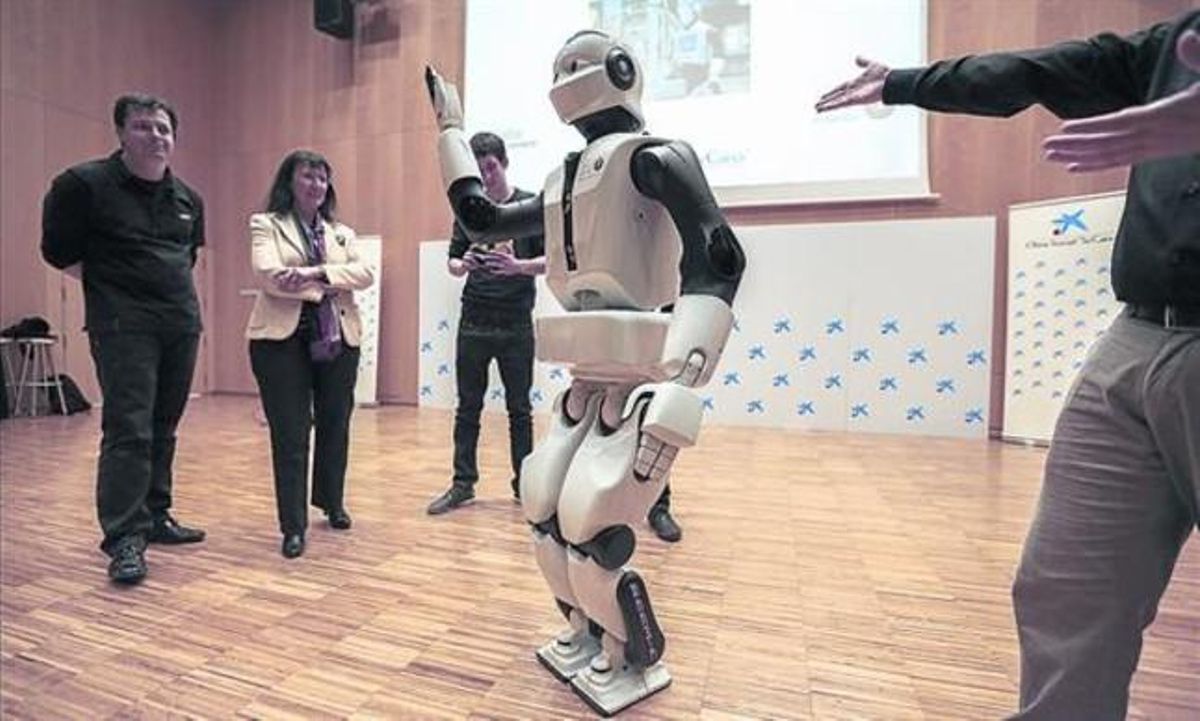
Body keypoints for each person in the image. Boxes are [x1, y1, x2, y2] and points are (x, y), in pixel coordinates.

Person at [816, 11, 1199, 721]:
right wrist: (903, 83)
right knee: (1063, 589)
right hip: (1137, 338)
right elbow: (1041, 70)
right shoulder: (1178, 41)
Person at [426, 26, 745, 715]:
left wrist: (685, 372)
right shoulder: (562, 178)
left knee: (593, 518)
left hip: (638, 374)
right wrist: (451, 130)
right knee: (542, 504)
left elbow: (717, 254)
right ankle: (581, 628)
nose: (568, 74)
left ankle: (630, 647)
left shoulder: (655, 158)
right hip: (586, 373)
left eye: (578, 64)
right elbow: (479, 219)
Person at [41, 93, 208, 585]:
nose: (156, 136)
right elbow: (57, 251)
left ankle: (155, 517)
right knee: (128, 429)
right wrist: (113, 288)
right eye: (143, 127)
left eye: (163, 128)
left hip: (180, 322)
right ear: (120, 133)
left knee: (164, 425)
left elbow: (188, 258)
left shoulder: (188, 199)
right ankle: (123, 538)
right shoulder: (82, 185)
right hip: (123, 326)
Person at [245, 150, 374, 559]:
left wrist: (311, 273)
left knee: (336, 425)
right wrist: (331, 282)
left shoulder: (342, 233)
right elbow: (269, 276)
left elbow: (365, 274)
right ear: (290, 181)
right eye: (308, 176)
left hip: (338, 339)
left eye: (322, 178)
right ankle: (293, 526)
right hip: (281, 342)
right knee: (292, 433)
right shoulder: (266, 224)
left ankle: (331, 502)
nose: (316, 184)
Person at [425, 132, 546, 515]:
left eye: (491, 167)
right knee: (468, 408)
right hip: (474, 318)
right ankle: (462, 485)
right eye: (478, 171)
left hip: (515, 322)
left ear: (504, 163)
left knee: (519, 410)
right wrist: (466, 263)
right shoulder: (469, 210)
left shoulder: (529, 205)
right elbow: (452, 261)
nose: (486, 176)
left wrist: (517, 267)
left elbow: (552, 261)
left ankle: (523, 487)